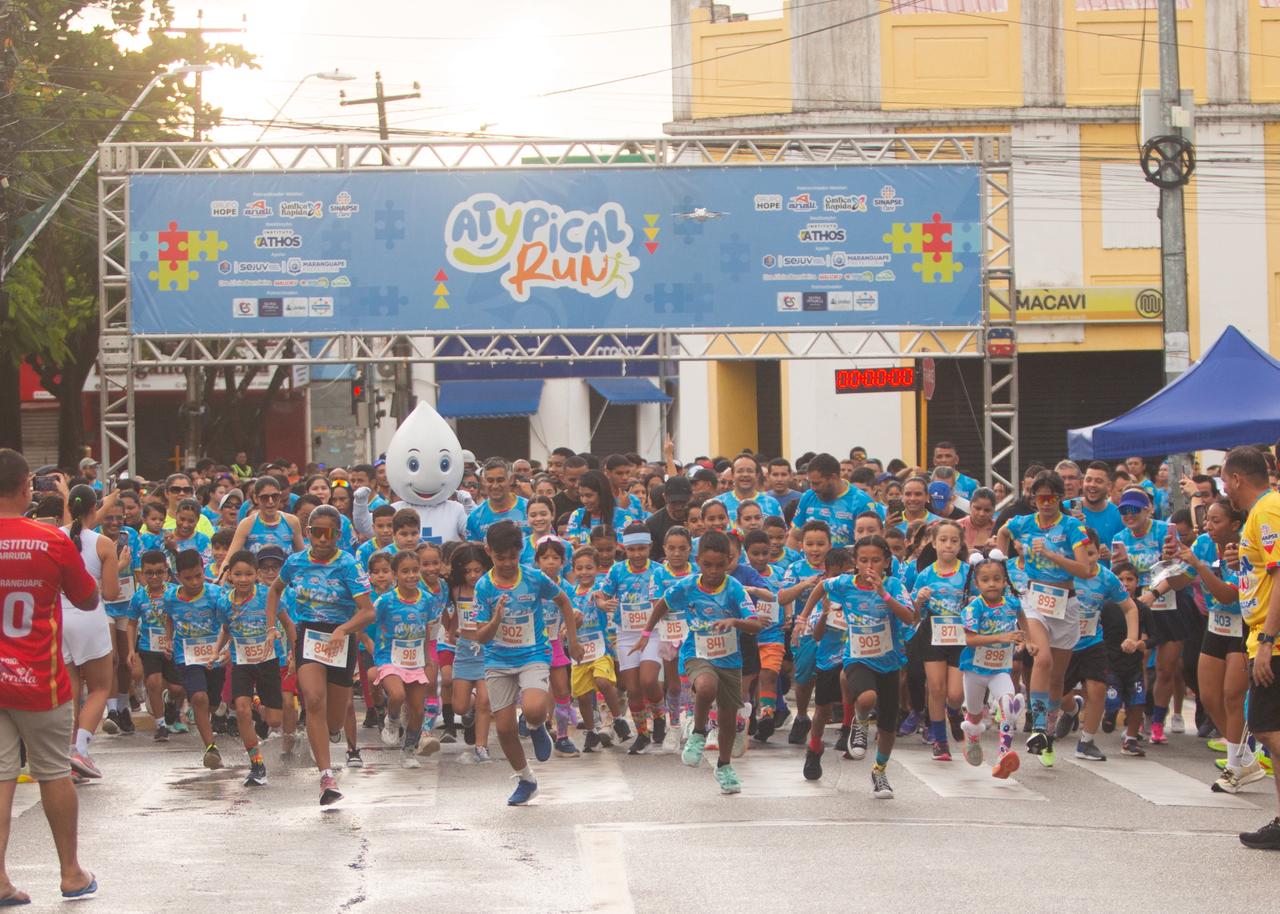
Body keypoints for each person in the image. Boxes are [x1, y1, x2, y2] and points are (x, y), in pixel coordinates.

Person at [0, 449, 100, 903]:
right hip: (40, 677)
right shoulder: (51, 540)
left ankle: (0, 881)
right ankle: (71, 873)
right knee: (54, 773)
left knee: (0, 779)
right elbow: (87, 598)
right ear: (26, 490)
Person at [633, 531, 763, 795]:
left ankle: (724, 767)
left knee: (727, 718)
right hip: (697, 652)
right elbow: (662, 605)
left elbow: (756, 624)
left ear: (729, 561)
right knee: (705, 687)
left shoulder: (734, 589)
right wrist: (646, 634)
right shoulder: (688, 586)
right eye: (707, 565)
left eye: (720, 565)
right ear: (698, 560)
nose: (714, 571)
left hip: (729, 658)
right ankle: (699, 732)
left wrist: (735, 622)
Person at [266, 505, 375, 806]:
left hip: (341, 638)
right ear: (308, 532)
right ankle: (326, 776)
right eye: (316, 532)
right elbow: (274, 590)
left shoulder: (348, 565)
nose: (322, 539)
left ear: (338, 535)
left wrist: (343, 630)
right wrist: (270, 626)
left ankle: (333, 733)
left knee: (334, 721)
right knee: (313, 700)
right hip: (309, 635)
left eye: (329, 533)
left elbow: (368, 611)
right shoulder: (296, 562)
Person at [472, 521, 582, 806]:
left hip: (533, 654)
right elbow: (481, 637)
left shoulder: (534, 579)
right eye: (500, 557)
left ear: (521, 551)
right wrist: (496, 620)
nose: (507, 563)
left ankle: (536, 726)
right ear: (489, 553)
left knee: (534, 708)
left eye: (513, 556)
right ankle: (526, 778)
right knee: (505, 728)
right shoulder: (484, 587)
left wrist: (573, 640)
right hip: (497, 659)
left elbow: (564, 602)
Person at [800, 536, 917, 797]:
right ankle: (860, 722)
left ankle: (879, 772)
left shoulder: (894, 586)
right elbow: (821, 587)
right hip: (857, 657)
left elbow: (909, 617)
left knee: (887, 726)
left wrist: (883, 594)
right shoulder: (845, 583)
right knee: (866, 697)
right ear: (855, 562)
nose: (869, 566)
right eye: (863, 560)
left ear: (886, 562)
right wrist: (803, 616)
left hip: (889, 662)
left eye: (876, 560)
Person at [997, 470, 1093, 766]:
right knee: (1043, 658)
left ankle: (1049, 733)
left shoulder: (1073, 528)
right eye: (1040, 497)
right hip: (1034, 599)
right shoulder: (1023, 523)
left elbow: (1085, 569)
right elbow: (1002, 532)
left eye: (1051, 497)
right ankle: (1037, 725)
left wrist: (1053, 556)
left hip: (1066, 602)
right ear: (1033, 498)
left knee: (1057, 679)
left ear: (1060, 498)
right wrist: (1002, 564)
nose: (1045, 502)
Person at [1179, 498, 1262, 792]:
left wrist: (1199, 567)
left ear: (1235, 525)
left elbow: (1228, 595)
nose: (1209, 526)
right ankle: (1245, 758)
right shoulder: (1202, 544)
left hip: (1242, 626)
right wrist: (1161, 581)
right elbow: (1184, 577)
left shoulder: (1241, 552)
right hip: (1215, 625)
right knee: (1209, 695)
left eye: (1217, 521)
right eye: (1208, 520)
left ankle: (1234, 767)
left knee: (1232, 696)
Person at [1220, 446, 1280, 849]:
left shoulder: (1268, 508)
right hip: (1262, 637)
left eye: (1225, 480)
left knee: (1268, 730)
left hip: (1273, 642)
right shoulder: (1259, 514)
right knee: (1267, 729)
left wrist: (1267, 641)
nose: (1224, 488)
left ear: (1237, 478)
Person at [1055, 530, 1138, 762]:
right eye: (1080, 554)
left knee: (1097, 688)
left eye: (1091, 553)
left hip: (1093, 641)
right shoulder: (1062, 574)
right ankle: (1072, 710)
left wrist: (1131, 636)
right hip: (1064, 643)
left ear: (1098, 552)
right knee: (1058, 694)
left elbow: (1130, 607)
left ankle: (1087, 741)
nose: (1086, 559)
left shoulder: (1108, 578)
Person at [59, 485, 122, 780]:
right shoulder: (104, 544)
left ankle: (69, 751)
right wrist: (119, 566)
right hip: (89, 616)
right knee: (99, 688)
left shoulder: (54, 537)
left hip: (57, 618)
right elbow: (110, 593)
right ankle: (81, 750)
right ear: (93, 510)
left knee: (71, 688)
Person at [213, 550, 291, 786]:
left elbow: (289, 624)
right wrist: (218, 650)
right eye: (238, 574)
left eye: (248, 574)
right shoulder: (224, 602)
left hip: (268, 662)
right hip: (241, 663)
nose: (243, 579)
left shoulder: (269, 596)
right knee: (242, 709)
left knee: (275, 719)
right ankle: (256, 764)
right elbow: (226, 628)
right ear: (229, 576)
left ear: (256, 575)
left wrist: (293, 655)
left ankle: (258, 701)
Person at [957, 550, 1025, 778]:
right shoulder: (973, 608)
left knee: (1007, 704)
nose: (992, 584)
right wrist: (1001, 638)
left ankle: (1003, 755)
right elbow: (970, 639)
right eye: (985, 580)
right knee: (975, 715)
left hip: (1000, 670)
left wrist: (1029, 639)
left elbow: (1022, 615)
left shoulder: (1012, 603)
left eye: (997, 579)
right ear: (977, 584)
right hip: (974, 670)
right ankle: (973, 736)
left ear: (1005, 581)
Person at [372, 551, 440, 767]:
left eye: (414, 570)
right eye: (405, 571)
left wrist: (428, 657)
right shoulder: (385, 601)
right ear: (394, 574)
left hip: (416, 660)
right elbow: (367, 621)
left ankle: (408, 750)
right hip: (388, 657)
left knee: (418, 710)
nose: (411, 575)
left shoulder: (427, 600)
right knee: (397, 694)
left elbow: (426, 629)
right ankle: (392, 720)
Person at [910, 520, 969, 761]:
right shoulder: (925, 574)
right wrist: (919, 601)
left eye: (954, 541)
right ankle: (939, 740)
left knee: (955, 694)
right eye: (943, 540)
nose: (948, 545)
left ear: (960, 544)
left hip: (960, 635)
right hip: (932, 634)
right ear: (933, 543)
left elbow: (979, 601)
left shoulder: (968, 572)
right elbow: (912, 614)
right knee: (935, 688)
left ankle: (954, 713)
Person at [788, 453, 882, 551]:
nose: (813, 488)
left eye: (817, 483)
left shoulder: (862, 502)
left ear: (833, 477)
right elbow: (794, 537)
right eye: (810, 482)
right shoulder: (808, 496)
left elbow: (871, 544)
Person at [1067, 462, 1125, 563]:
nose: (1092, 485)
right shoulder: (1070, 506)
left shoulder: (1118, 514)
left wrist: (1111, 556)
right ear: (1082, 483)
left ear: (1109, 486)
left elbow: (1124, 558)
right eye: (1088, 480)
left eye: (1098, 481)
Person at [466, 459, 529, 543]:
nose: (495, 486)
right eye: (490, 481)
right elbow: (473, 553)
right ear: (483, 482)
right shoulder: (475, 517)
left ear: (510, 480)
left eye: (500, 480)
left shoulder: (529, 508)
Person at [714, 454, 782, 520]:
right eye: (740, 471)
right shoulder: (718, 503)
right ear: (732, 475)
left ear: (757, 475)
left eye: (750, 471)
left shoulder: (772, 504)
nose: (745, 474)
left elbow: (780, 531)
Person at [645, 475, 692, 561]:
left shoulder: (698, 517)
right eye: (673, 503)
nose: (678, 507)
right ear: (664, 497)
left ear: (691, 498)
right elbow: (651, 558)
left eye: (682, 502)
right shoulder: (653, 524)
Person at [958, 487, 997, 551]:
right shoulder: (957, 527)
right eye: (977, 508)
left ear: (993, 510)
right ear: (970, 505)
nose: (981, 514)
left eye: (987, 510)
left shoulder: (999, 529)